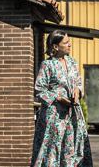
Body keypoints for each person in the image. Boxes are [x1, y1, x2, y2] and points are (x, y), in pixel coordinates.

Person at [31, 30, 93, 167]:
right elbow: (39, 89)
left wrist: (77, 91)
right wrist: (58, 98)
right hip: (54, 116)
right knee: (52, 150)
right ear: (55, 46)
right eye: (65, 42)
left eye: (69, 41)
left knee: (72, 149)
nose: (70, 45)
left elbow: (78, 82)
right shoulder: (47, 65)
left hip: (73, 115)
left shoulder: (72, 62)